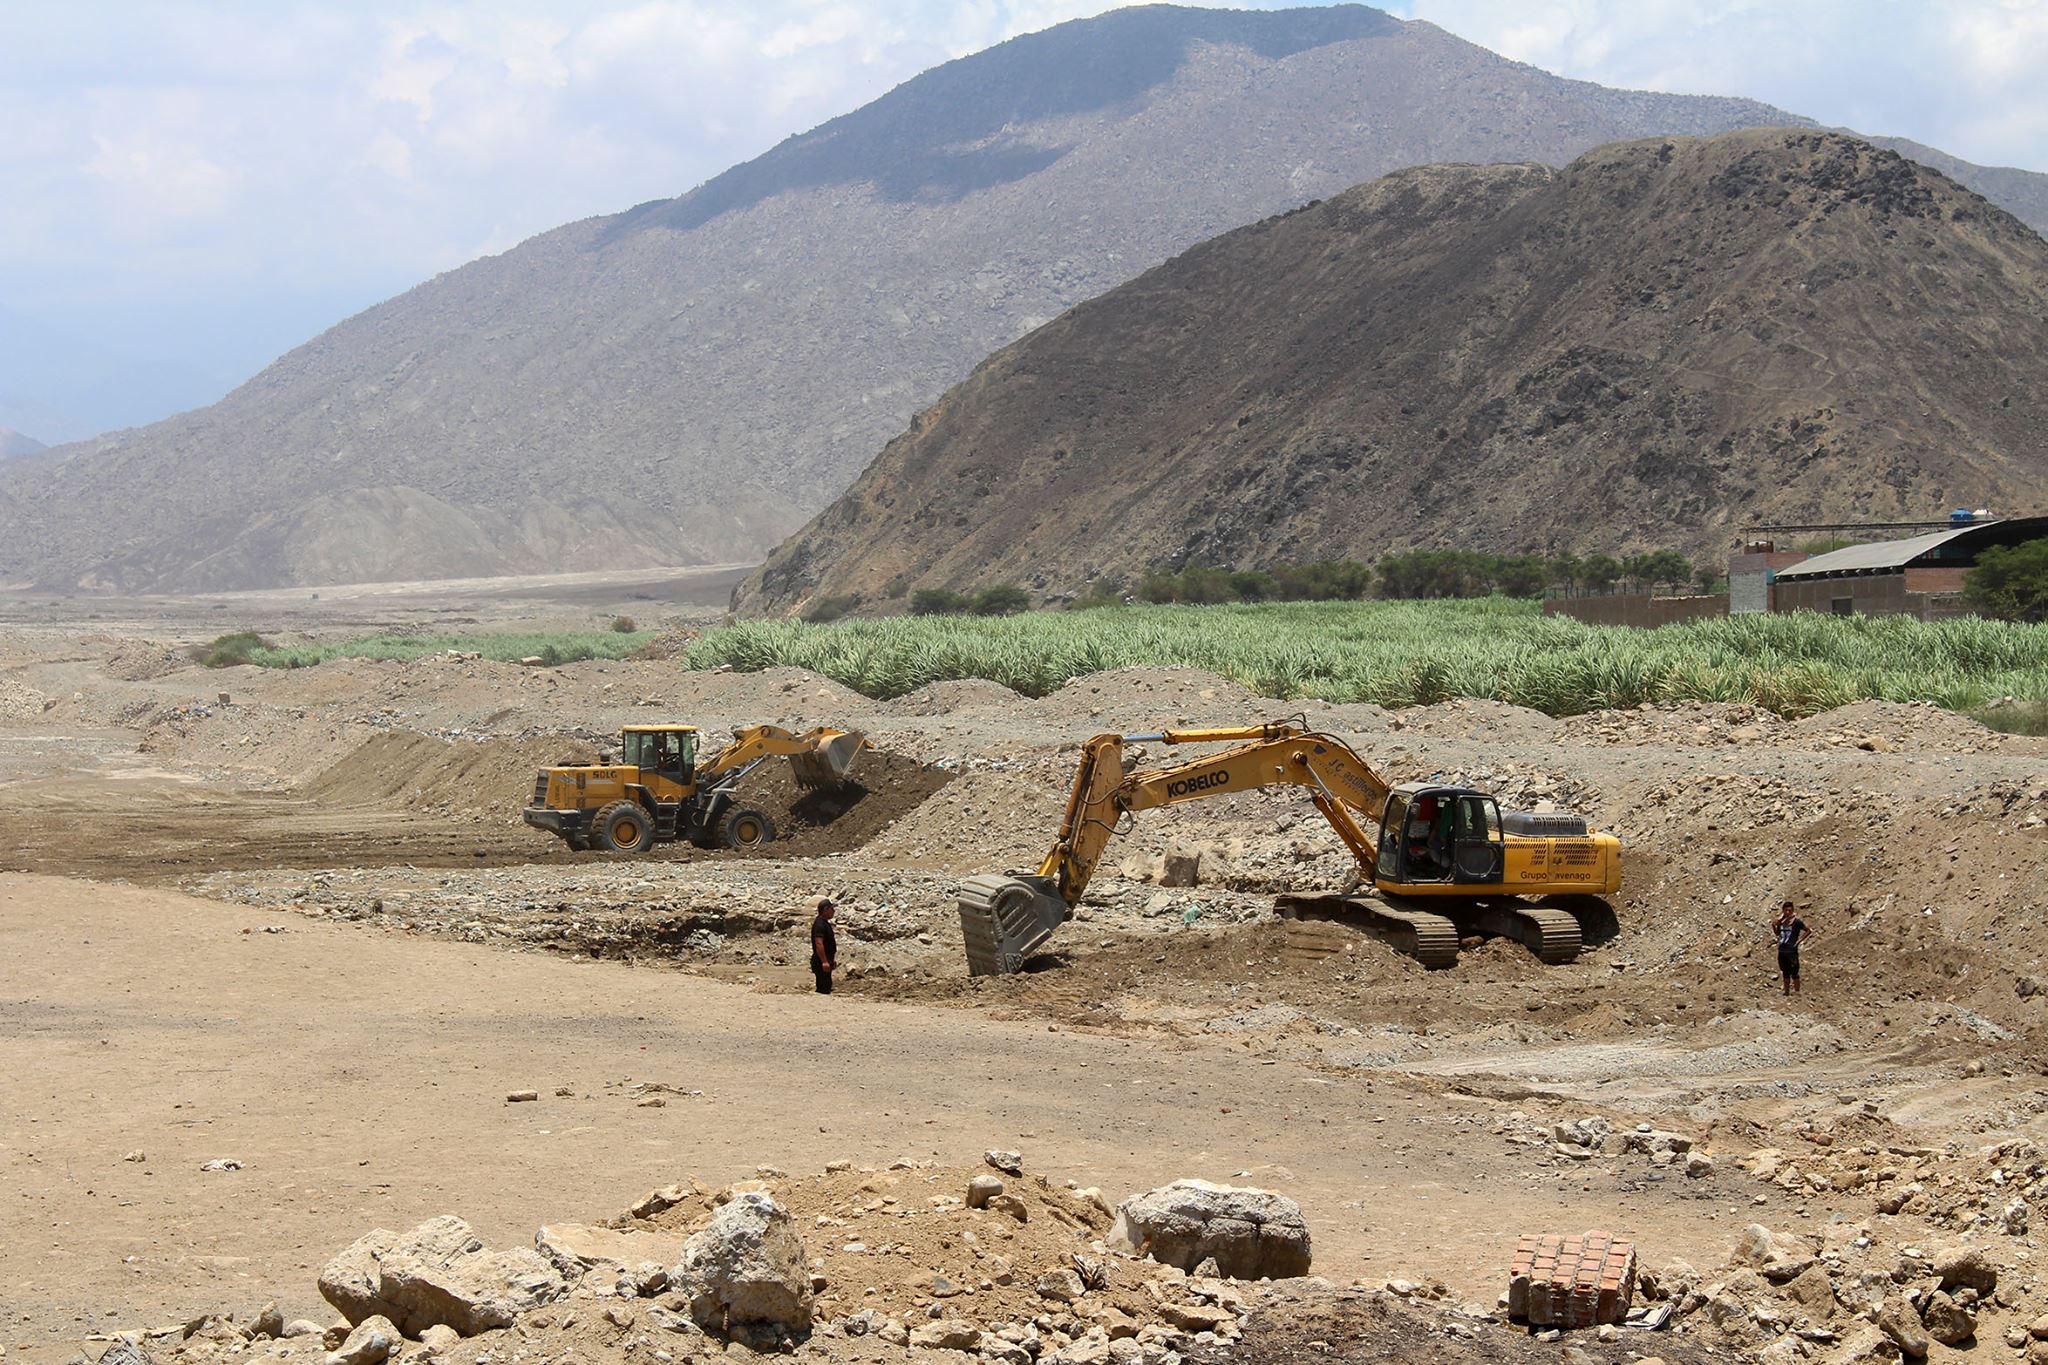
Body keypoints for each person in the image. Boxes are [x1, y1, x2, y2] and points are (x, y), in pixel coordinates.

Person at [1773, 901, 1811, 996]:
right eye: (1786, 910)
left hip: (1792, 951)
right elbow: (1778, 934)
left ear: (1792, 910)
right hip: (1782, 950)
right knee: (1785, 973)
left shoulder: (1796, 922)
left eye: (1789, 910)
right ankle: (1786, 993)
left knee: (1794, 973)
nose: (1787, 912)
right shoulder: (1781, 922)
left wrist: (1799, 941)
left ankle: (1797, 993)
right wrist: (1774, 925)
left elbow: (1808, 930)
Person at [810, 898, 838, 995]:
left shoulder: (824, 923)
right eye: (831, 909)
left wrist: (831, 960)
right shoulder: (819, 924)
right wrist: (825, 961)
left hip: (826, 960)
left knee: (827, 986)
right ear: (826, 909)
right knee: (823, 989)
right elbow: (819, 943)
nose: (833, 911)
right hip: (821, 962)